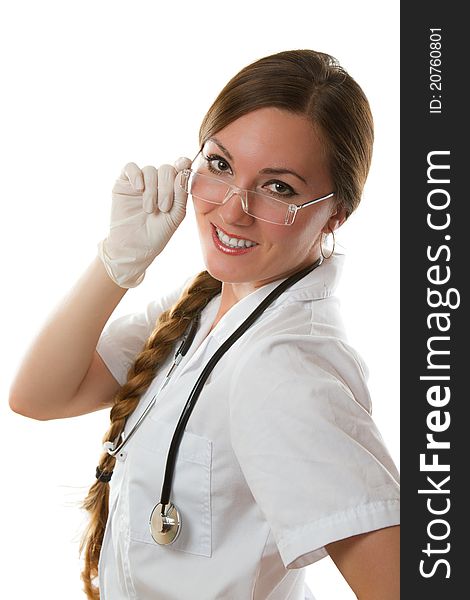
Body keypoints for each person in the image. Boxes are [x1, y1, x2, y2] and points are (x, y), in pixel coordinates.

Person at [9, 49, 400, 599]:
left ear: (336, 213)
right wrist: (118, 263)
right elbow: (38, 396)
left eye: (278, 187)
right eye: (219, 165)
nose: (233, 209)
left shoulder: (284, 366)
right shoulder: (205, 305)